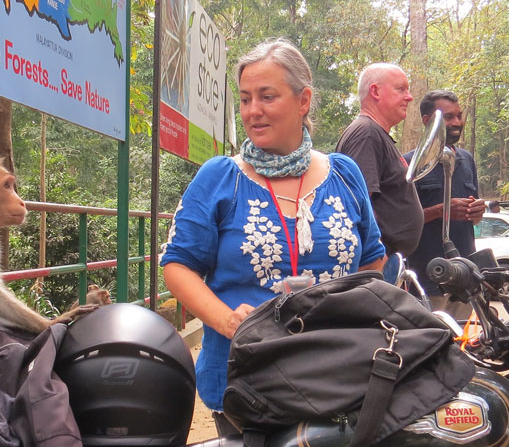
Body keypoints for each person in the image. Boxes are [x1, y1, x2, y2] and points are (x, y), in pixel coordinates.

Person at [162, 39, 386, 425]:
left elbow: (372, 260)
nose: (253, 111)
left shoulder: (345, 174)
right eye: (246, 99)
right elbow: (177, 266)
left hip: (340, 378)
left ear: (303, 101)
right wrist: (228, 321)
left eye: (267, 96)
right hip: (247, 382)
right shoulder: (220, 178)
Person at [334, 63, 423, 281]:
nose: (409, 97)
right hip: (377, 265)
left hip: (389, 261)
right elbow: (358, 204)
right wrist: (375, 260)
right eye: (401, 89)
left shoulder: (376, 134)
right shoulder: (366, 134)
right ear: (375, 92)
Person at [403, 90, 485, 277]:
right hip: (428, 274)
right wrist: (442, 210)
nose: (457, 122)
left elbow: (475, 220)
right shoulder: (408, 164)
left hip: (466, 273)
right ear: (427, 121)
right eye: (448, 117)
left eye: (459, 116)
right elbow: (402, 222)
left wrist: (477, 211)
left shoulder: (467, 159)